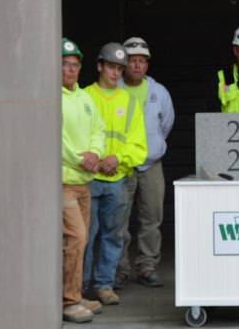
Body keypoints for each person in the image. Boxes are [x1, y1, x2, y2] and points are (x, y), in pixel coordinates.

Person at [82, 42, 148, 306]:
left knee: (113, 234)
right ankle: (80, 286)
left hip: (117, 179)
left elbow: (138, 144)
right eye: (111, 67)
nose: (115, 73)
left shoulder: (130, 102)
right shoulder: (84, 96)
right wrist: (94, 160)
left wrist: (117, 158)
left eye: (119, 69)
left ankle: (104, 285)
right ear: (99, 66)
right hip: (87, 178)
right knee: (84, 236)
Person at [114, 37, 175, 289]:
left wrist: (152, 147)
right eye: (132, 61)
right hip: (121, 166)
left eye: (142, 61)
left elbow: (166, 124)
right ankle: (119, 268)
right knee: (119, 219)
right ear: (124, 63)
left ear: (147, 64)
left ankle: (147, 265)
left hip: (151, 164)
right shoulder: (114, 89)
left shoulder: (158, 92)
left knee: (152, 218)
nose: (137, 66)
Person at [60, 38, 105, 323]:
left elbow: (99, 129)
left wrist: (95, 153)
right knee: (76, 238)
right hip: (64, 182)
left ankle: (74, 294)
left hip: (83, 183)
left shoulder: (84, 97)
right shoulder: (54, 98)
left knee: (82, 239)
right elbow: (57, 139)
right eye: (66, 65)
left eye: (75, 65)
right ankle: (68, 301)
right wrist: (81, 158)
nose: (72, 70)